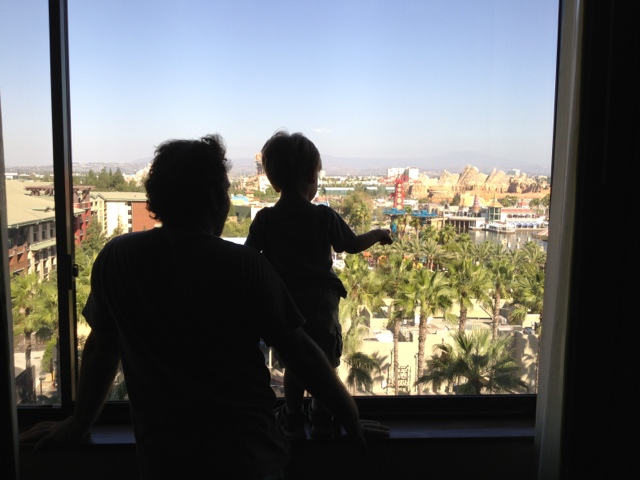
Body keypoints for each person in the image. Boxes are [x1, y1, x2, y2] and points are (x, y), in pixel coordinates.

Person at [19, 133, 366, 479]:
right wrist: (351, 419)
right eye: (226, 191)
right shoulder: (245, 267)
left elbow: (101, 349)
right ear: (215, 197)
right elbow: (302, 355)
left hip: (164, 460)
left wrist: (79, 423)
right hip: (248, 457)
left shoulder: (118, 259)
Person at [245, 130, 393, 440]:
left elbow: (248, 259)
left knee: (295, 362)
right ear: (313, 176)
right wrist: (378, 234)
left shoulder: (265, 221)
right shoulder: (324, 217)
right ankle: (323, 415)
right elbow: (351, 245)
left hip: (285, 304)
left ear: (273, 181)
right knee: (324, 361)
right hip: (321, 302)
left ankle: (294, 416)